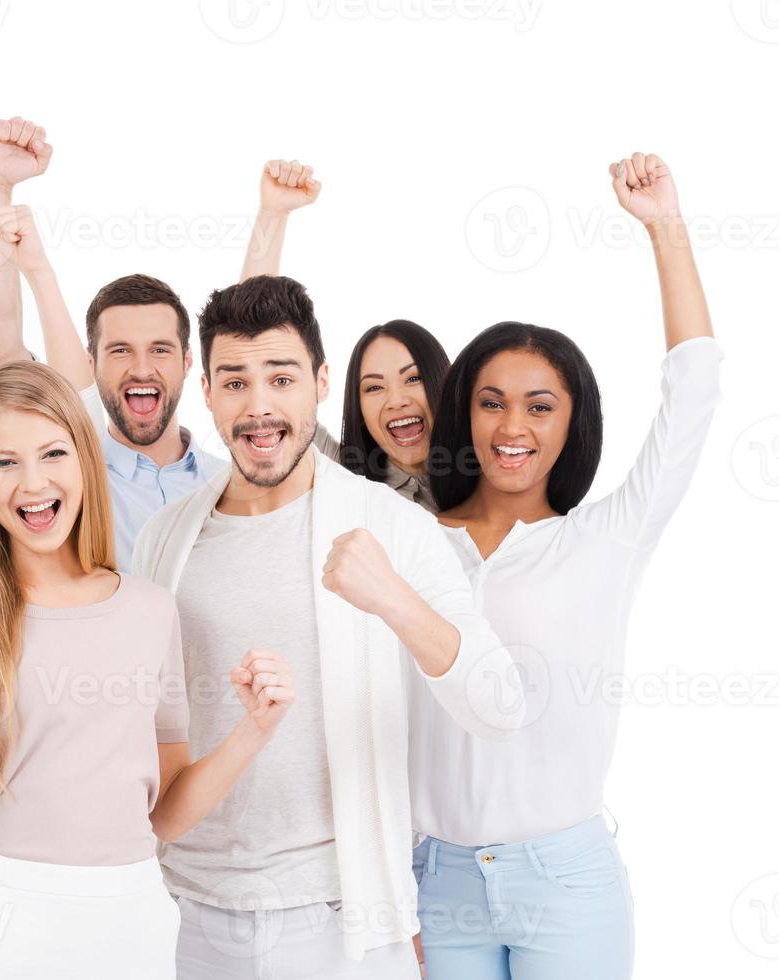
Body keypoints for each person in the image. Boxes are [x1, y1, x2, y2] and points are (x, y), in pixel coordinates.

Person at [0, 361, 294, 978]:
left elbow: (165, 812)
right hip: (8, 925)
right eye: (5, 462)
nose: (32, 484)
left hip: (134, 922)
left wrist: (254, 732)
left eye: (53, 453)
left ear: (85, 462)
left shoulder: (149, 610)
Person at [132, 275, 527, 978]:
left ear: (317, 382)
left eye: (280, 378)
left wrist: (394, 601)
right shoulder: (165, 538)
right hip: (183, 911)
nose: (257, 408)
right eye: (234, 382)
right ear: (206, 392)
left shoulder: (389, 526)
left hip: (342, 915)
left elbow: (499, 706)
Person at [410, 152, 722, 979]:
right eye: (491, 401)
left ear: (571, 422)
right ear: (464, 415)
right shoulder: (409, 540)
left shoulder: (606, 538)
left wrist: (663, 228)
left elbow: (692, 392)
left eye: (539, 405)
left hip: (566, 882)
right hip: (433, 884)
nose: (512, 426)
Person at [0, 117, 227, 568]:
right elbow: (0, 349)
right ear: (91, 363)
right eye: (120, 350)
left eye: (160, 349)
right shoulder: (69, 468)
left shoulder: (225, 480)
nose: (142, 368)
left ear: (190, 361)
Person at [241, 158, 449, 511]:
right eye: (373, 387)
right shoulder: (342, 480)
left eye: (412, 378)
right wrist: (272, 216)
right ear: (359, 410)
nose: (395, 400)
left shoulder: (492, 476)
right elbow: (253, 346)